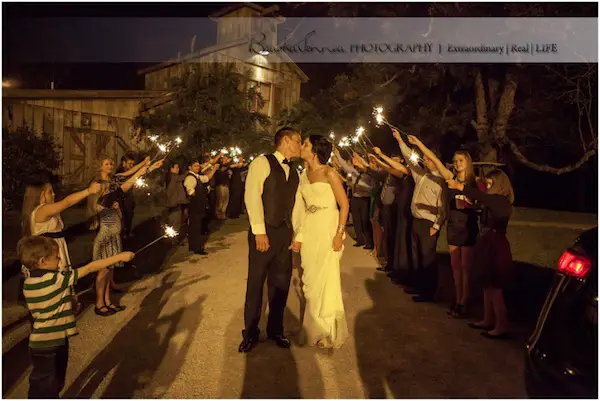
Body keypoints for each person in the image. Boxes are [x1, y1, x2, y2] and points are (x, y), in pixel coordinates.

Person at [18, 235, 134, 398]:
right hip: (50, 343)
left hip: (45, 341)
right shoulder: (55, 279)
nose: (60, 260)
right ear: (43, 261)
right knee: (47, 385)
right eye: (57, 257)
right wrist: (119, 257)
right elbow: (89, 268)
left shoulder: (29, 282)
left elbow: (47, 304)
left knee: (48, 381)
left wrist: (69, 303)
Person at [239, 127, 303, 353]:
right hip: (264, 231)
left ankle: (276, 330)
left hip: (284, 234)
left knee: (281, 283)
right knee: (256, 283)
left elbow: (296, 206)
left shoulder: (295, 172)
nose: (301, 146)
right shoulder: (262, 162)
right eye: (298, 141)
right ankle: (250, 332)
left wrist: (297, 235)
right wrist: (259, 231)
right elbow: (252, 196)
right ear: (286, 141)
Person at [408, 136, 478, 318]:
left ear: (467, 162)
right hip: (453, 224)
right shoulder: (450, 177)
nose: (457, 163)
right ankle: (458, 298)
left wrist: (462, 191)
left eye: (460, 160)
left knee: (465, 267)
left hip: (467, 224)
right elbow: (437, 162)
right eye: (455, 161)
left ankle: (465, 301)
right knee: (455, 266)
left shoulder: (473, 182)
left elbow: (477, 201)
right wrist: (419, 144)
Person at [290, 135, 350, 348]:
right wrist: (299, 237)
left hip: (328, 228)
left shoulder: (329, 172)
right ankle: (312, 326)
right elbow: (300, 210)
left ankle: (326, 331)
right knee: (309, 280)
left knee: (326, 279)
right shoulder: (303, 175)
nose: (302, 147)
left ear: (314, 151)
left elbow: (344, 204)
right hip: (311, 228)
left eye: (305, 144)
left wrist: (339, 233)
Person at [87, 156, 161, 316]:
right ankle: (99, 304)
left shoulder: (112, 188)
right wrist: (147, 169)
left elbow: (128, 177)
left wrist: (148, 167)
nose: (111, 165)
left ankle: (107, 301)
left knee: (110, 270)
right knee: (103, 271)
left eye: (111, 163)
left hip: (114, 234)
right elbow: (127, 183)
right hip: (105, 236)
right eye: (106, 163)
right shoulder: (101, 188)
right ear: (99, 167)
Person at [447, 169, 515, 339]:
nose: (487, 186)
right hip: (486, 240)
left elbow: (482, 197)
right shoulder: (492, 200)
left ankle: (501, 325)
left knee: (494, 285)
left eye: (490, 183)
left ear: (500, 184)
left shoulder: (501, 201)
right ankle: (487, 319)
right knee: (486, 282)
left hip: (495, 243)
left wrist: (459, 186)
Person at [21, 179, 103, 315]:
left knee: (60, 282)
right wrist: (88, 191)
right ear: (41, 196)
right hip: (49, 255)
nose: (54, 194)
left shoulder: (46, 210)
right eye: (50, 192)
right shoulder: (42, 209)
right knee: (55, 283)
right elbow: (67, 202)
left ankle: (60, 310)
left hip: (55, 250)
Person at [393, 129, 446, 302]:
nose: (426, 161)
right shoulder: (422, 176)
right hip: (416, 220)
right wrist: (400, 140)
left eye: (429, 159)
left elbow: (442, 207)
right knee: (416, 256)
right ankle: (418, 286)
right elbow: (409, 158)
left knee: (427, 258)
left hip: (428, 224)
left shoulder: (439, 181)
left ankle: (429, 292)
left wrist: (436, 226)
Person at [183, 158, 220, 255]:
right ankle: (197, 248)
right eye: (195, 166)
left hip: (199, 206)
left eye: (198, 165)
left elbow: (207, 177)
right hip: (195, 206)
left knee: (197, 226)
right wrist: (195, 194)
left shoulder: (197, 177)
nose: (197, 167)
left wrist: (214, 169)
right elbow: (190, 190)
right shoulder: (190, 178)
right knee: (196, 227)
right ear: (190, 167)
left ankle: (194, 246)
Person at [165, 162, 189, 244]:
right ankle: (173, 240)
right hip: (174, 204)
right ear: (171, 169)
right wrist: (189, 171)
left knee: (173, 221)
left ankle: (172, 239)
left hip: (172, 204)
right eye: (176, 167)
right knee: (175, 222)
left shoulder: (169, 177)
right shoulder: (174, 177)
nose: (178, 169)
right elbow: (183, 177)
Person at [115, 153, 137, 239]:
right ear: (123, 163)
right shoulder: (120, 173)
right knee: (122, 216)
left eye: (133, 164)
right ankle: (121, 233)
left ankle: (127, 231)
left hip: (129, 197)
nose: (131, 166)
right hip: (121, 198)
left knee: (129, 215)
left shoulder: (130, 173)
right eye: (129, 163)